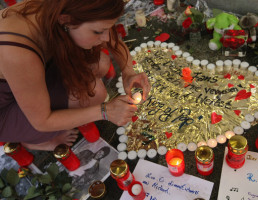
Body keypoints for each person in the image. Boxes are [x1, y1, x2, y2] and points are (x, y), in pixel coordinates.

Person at [0, 0, 150, 151]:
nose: (105, 38)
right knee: (95, 93)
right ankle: (33, 141)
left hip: (26, 76)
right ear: (66, 20)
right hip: (5, 110)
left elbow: (112, 41)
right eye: (98, 32)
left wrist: (128, 72)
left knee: (101, 63)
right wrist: (105, 111)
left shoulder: (62, 8)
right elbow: (42, 121)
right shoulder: (18, 52)